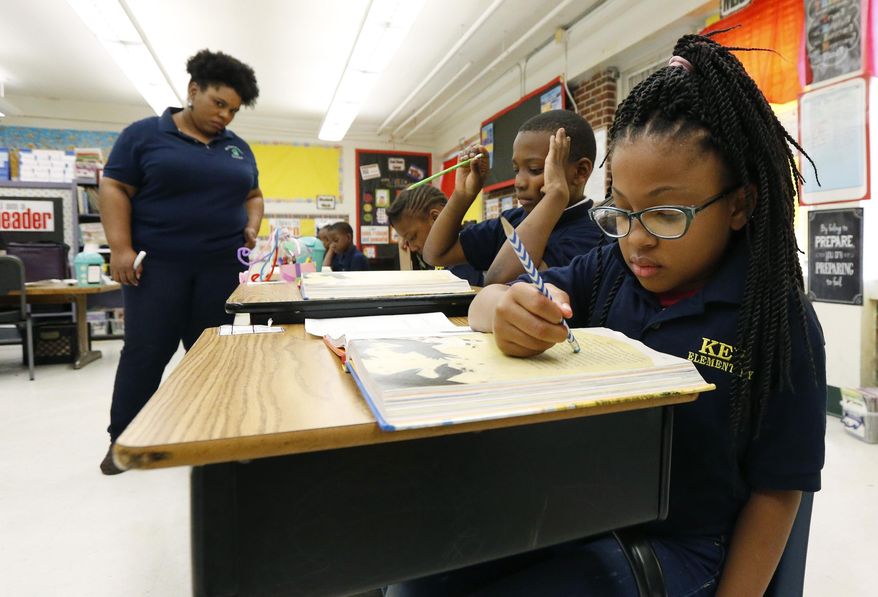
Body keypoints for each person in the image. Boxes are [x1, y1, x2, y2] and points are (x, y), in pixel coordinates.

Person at [395, 33, 827, 596]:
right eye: (620, 212)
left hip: (680, 549)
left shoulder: (775, 319)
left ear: (740, 204)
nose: (638, 241)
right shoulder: (608, 270)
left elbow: (778, 492)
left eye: (666, 214)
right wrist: (504, 308)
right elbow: (483, 299)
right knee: (415, 579)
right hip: (577, 511)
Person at [99, 49, 262, 475]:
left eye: (233, 110)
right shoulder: (144, 136)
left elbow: (253, 195)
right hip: (157, 266)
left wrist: (252, 225)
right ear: (193, 91)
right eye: (219, 104)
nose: (225, 116)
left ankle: (212, 431)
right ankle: (125, 440)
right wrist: (120, 249)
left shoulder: (237, 149)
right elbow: (114, 186)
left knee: (210, 352)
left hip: (220, 266)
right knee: (147, 351)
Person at [422, 109, 603, 285]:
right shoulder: (513, 219)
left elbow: (500, 284)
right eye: (516, 170)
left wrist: (555, 196)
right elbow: (436, 254)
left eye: (535, 170)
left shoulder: (592, 238)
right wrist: (462, 195)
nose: (518, 182)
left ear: (580, 172)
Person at [387, 185, 484, 286]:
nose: (412, 248)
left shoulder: (468, 252)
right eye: (407, 241)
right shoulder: (426, 257)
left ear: (435, 218)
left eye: (412, 237)